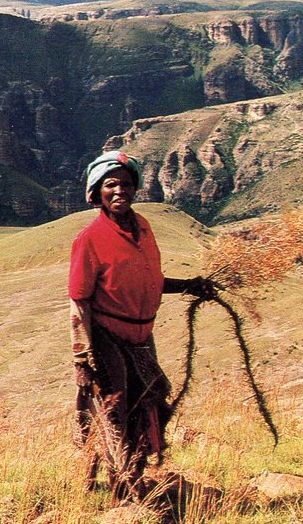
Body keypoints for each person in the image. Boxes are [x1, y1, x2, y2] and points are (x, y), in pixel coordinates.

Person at [68, 150, 215, 501]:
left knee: (149, 404)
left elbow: (148, 280)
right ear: (96, 193)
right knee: (114, 409)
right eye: (111, 185)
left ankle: (132, 475)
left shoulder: (144, 228)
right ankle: (126, 489)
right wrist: (82, 360)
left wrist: (188, 285)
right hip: (106, 337)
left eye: (127, 184)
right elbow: (79, 301)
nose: (120, 191)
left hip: (141, 337)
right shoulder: (89, 239)